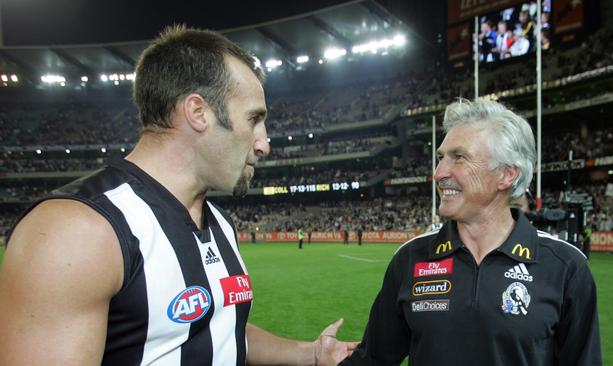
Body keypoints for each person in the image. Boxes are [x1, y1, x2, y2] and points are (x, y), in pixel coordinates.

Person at [0, 26, 355, 366]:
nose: (263, 144)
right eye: (253, 120)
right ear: (198, 112)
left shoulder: (219, 223)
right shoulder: (78, 231)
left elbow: (214, 330)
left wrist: (309, 354)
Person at [342, 99, 601, 365]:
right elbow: (373, 360)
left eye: (459, 157)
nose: (439, 173)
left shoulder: (565, 266)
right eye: (441, 158)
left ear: (506, 175)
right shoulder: (411, 258)